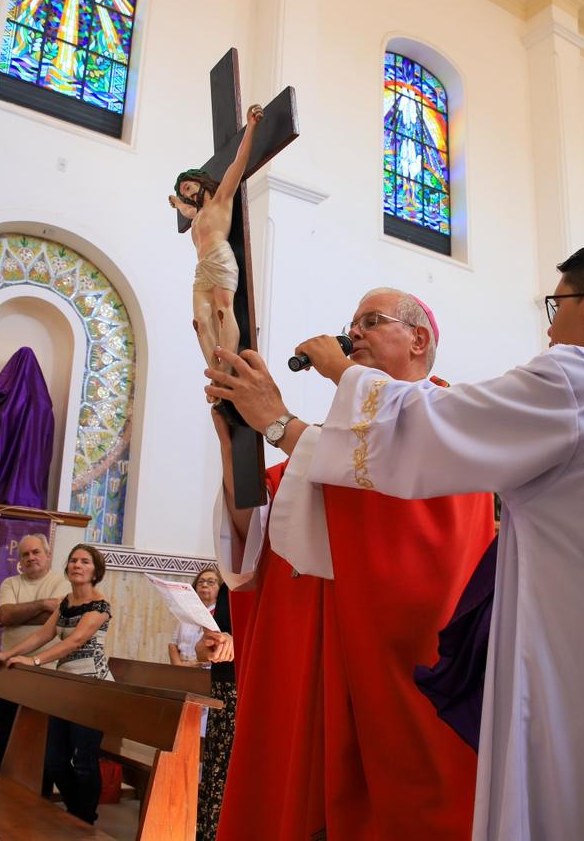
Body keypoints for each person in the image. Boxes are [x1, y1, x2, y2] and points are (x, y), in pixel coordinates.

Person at [208, 240, 584, 840]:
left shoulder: (581, 378)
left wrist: (292, 409)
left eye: (556, 306)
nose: (550, 329)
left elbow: (423, 434)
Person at [209, 288, 492, 840]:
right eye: (352, 322)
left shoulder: (447, 419)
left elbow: (402, 521)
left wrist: (278, 423)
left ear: (418, 339)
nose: (353, 332)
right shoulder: (334, 447)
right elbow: (257, 544)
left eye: (371, 320)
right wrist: (236, 443)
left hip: (396, 690)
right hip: (314, 676)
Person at [0, 544, 113, 825]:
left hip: (92, 686)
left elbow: (75, 641)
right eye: (73, 560)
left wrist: (34, 661)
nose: (77, 565)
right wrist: (9, 653)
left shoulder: (100, 605)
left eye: (85, 561)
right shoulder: (66, 602)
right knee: (53, 760)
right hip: (64, 686)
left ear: (96, 571)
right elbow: (43, 634)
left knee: (84, 762)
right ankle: (77, 813)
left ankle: (85, 820)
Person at [169, 103, 264, 382]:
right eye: (184, 192)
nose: (187, 193)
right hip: (202, 268)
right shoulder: (195, 215)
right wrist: (176, 202)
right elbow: (185, 209)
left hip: (220, 257)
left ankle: (227, 367)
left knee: (223, 311)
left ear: (200, 181)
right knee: (200, 321)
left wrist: (251, 127)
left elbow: (239, 162)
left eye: (188, 186)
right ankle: (216, 371)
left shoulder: (222, 199)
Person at [0, 533, 71, 769]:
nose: (31, 557)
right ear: (20, 560)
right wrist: (44, 605)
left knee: (42, 740)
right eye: (25, 554)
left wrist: (16, 616)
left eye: (36, 552)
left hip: (46, 671)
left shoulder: (63, 583)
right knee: (1, 734)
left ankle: (38, 790)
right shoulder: (10, 583)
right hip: (10, 669)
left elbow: (57, 619)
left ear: (48, 555)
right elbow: (5, 615)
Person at [196, 574, 236, 841]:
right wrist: (206, 647)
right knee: (214, 774)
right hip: (221, 689)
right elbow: (203, 650)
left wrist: (237, 641)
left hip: (246, 689)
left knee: (232, 776)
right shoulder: (226, 590)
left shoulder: (266, 585)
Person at [169, 566, 220, 668]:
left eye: (211, 582)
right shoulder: (188, 612)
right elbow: (172, 644)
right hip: (182, 668)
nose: (204, 585)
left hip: (208, 670)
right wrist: (179, 666)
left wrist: (196, 663)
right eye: (200, 582)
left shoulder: (222, 616)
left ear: (220, 589)